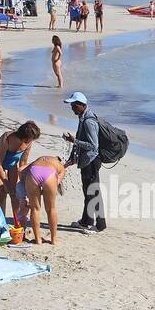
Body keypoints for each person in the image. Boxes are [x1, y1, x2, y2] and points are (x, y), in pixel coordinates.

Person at [61, 91, 105, 233]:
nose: (72, 108)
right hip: (86, 161)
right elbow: (82, 143)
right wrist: (70, 160)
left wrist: (74, 140)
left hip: (91, 161)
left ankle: (99, 225)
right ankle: (86, 221)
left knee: (93, 193)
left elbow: (93, 146)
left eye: (74, 105)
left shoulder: (89, 122)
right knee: (89, 193)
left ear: (81, 105)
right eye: (71, 105)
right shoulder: (82, 118)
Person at [0, 121, 40, 218]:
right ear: (25, 137)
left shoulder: (29, 142)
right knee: (2, 191)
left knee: (14, 193)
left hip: (12, 164)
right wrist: (5, 182)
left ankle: (17, 219)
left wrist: (25, 183)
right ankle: (0, 219)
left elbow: (23, 163)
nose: (31, 141)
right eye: (30, 139)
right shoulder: (7, 139)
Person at [21, 156, 68, 244]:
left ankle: (38, 239)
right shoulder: (60, 167)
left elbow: (20, 170)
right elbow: (56, 183)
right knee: (51, 209)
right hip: (50, 175)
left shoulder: (39, 159)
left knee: (35, 209)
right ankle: (54, 239)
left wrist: (24, 185)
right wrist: (43, 192)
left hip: (34, 172)